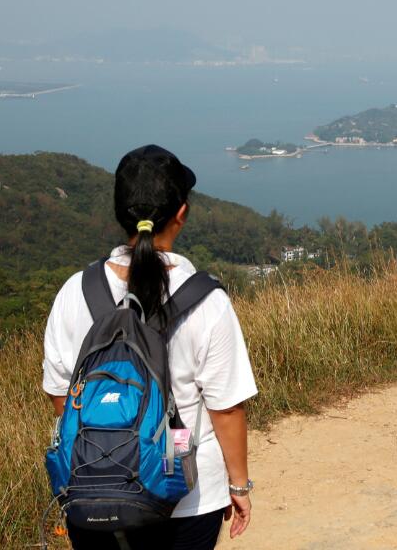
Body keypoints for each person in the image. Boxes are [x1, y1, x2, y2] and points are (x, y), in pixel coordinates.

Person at [42, 144, 257, 549]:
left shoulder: (75, 292)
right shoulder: (207, 301)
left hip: (93, 493)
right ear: (181, 213)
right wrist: (239, 485)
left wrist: (106, 454)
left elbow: (62, 395)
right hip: (187, 496)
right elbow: (226, 408)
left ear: (119, 212)